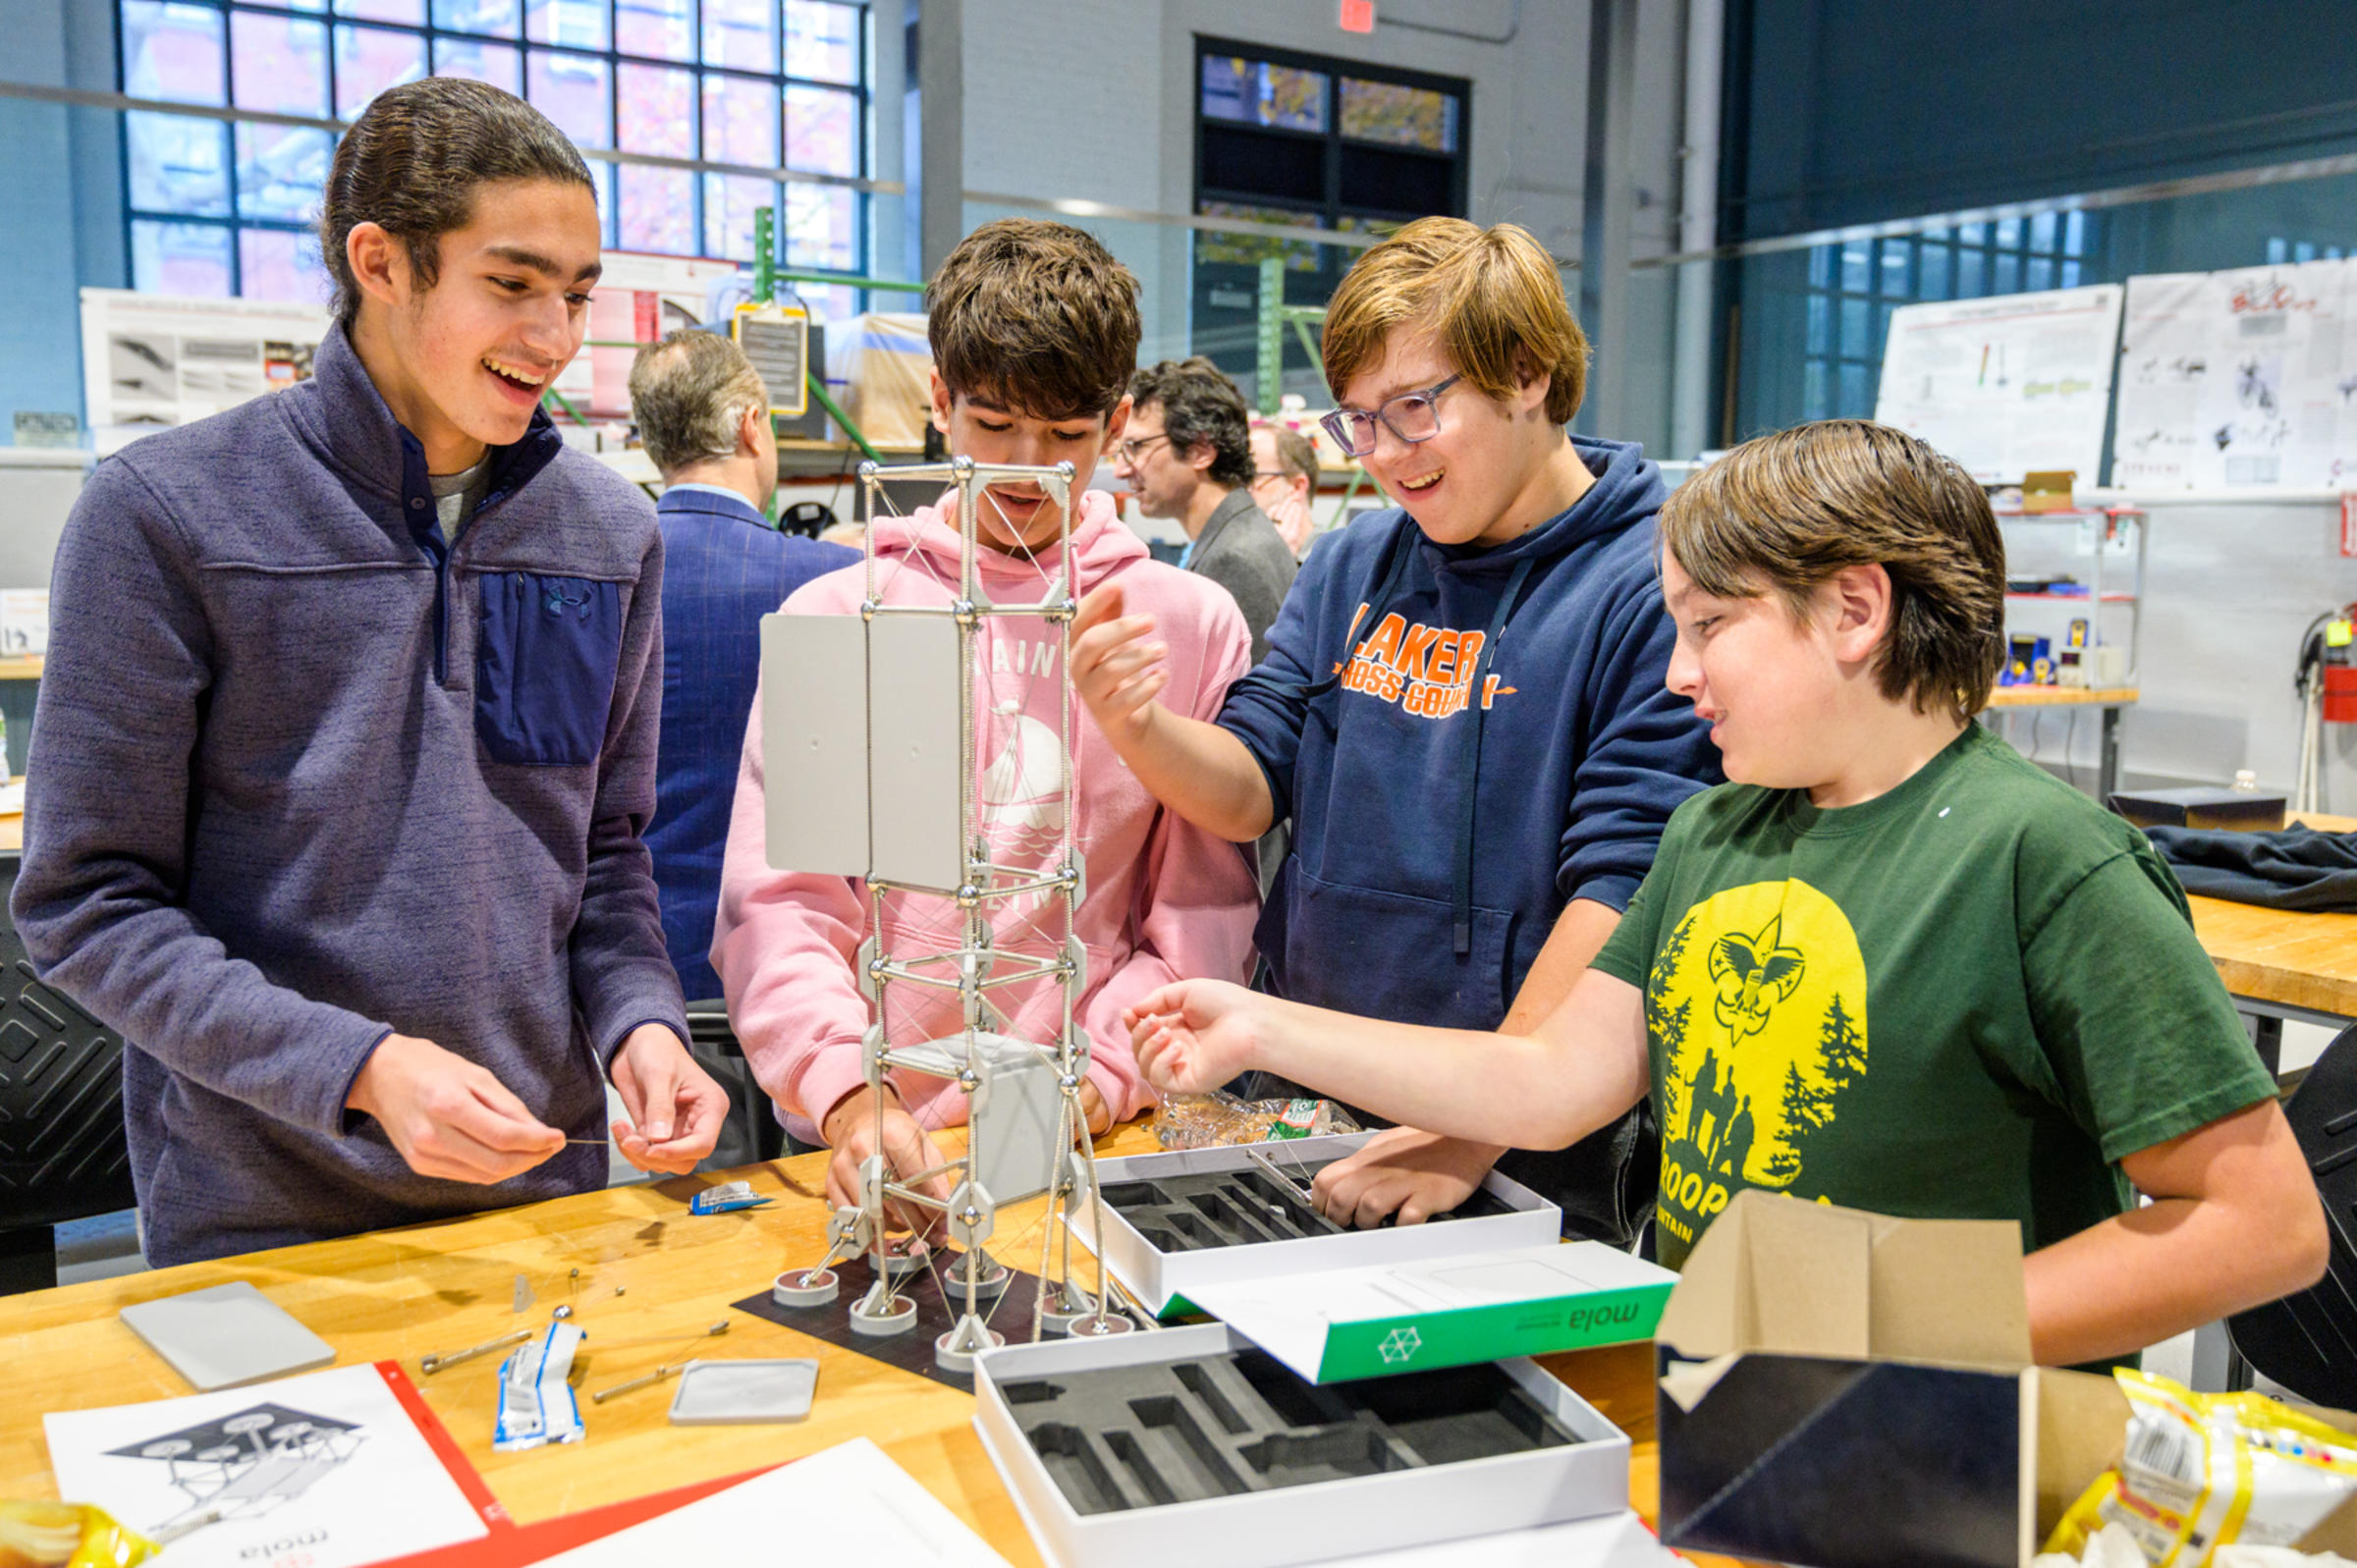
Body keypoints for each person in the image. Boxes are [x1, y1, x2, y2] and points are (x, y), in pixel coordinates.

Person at [1125, 419, 2329, 1368]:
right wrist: (1268, 1024)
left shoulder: (2046, 864)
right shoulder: (1712, 831)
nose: (1677, 671)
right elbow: (1548, 1083)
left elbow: (2261, 1225)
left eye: (1709, 626)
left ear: (1855, 610)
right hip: (1736, 1412)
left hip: (1960, 1462)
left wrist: (1872, 1314)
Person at [11, 78, 726, 1267]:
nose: (555, 338)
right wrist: (359, 1069)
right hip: (263, 1216)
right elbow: (87, 905)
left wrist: (642, 1023)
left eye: (578, 296)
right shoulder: (165, 516)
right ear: (382, 261)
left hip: (545, 1194)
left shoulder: (608, 535)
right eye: (512, 285)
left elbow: (602, 856)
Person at [1072, 218, 1719, 1243]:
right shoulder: (1355, 562)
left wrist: (1472, 1129)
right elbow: (1250, 782)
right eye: (1357, 423)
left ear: (1530, 375)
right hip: (1302, 1097)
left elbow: (1624, 898)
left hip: (1516, 1152)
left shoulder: (1648, 587)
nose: (1384, 455)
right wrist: (1138, 727)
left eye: (1414, 410)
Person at [712, 218, 1260, 1231]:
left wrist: (1096, 1077)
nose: (1023, 466)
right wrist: (848, 1093)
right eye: (993, 423)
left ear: (1119, 419)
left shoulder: (1184, 623)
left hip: (1095, 1134)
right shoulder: (845, 617)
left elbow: (1195, 915)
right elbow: (786, 907)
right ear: (940, 398)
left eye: (1065, 437)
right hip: (872, 1142)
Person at [630, 329, 857, 1003]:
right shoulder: (837, 582)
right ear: (753, 424)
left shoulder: (609, 579)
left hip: (639, 974)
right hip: (797, 971)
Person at [1115, 357, 1298, 661]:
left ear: (1201, 451)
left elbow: (1240, 702)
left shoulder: (1234, 560)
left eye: (1136, 446)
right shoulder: (1236, 537)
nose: (1122, 469)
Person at [1249, 421, 1321, 560]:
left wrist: (1279, 563)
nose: (1239, 490)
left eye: (1251, 477)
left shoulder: (1333, 561)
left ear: (1297, 487)